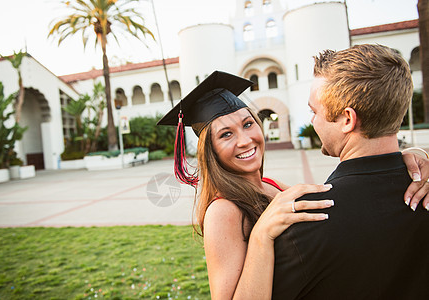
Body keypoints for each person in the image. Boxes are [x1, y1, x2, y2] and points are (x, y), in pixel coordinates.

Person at [158, 70, 429, 299]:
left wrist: (406, 158)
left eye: (248, 124)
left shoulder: (271, 186)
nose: (245, 140)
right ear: (211, 150)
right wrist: (261, 235)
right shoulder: (224, 211)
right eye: (226, 134)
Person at [272, 44, 429, 299]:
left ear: (347, 119)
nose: (313, 122)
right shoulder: (423, 190)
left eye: (315, 112)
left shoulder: (306, 218)